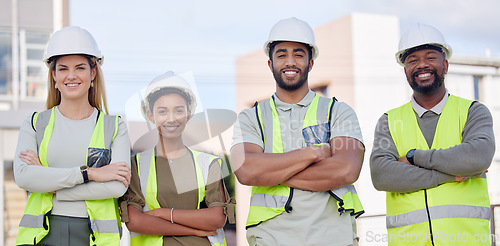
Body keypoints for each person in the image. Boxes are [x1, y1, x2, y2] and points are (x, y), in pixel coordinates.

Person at [230, 17, 365, 246]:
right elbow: (245, 171)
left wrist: (270, 174)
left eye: (299, 54)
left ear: (310, 63)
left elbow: (346, 170)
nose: (290, 62)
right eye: (281, 55)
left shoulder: (338, 111)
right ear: (270, 64)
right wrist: (311, 154)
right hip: (270, 238)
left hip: (332, 237)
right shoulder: (250, 117)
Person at [370, 23, 495, 245]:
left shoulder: (473, 111)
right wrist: (448, 175)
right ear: (405, 70)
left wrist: (412, 157)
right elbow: (382, 175)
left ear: (445, 65)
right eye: (413, 60)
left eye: (430, 57)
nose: (422, 65)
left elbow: (477, 158)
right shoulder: (389, 120)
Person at [13, 26, 131, 246]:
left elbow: (118, 186)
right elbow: (24, 177)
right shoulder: (34, 123)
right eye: (64, 68)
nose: (72, 76)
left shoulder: (114, 126)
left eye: (80, 67)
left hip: (93, 237)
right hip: (42, 235)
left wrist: (49, 181)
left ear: (93, 73)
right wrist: (91, 174)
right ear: (54, 75)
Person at [120, 71, 235, 246]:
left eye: (178, 110)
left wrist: (164, 213)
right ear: (150, 115)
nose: (171, 118)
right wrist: (193, 230)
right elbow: (135, 222)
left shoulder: (208, 164)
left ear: (188, 114)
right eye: (163, 111)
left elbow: (216, 218)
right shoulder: (135, 165)